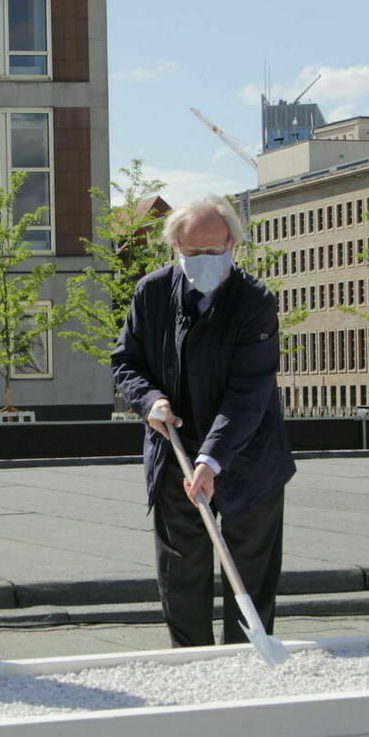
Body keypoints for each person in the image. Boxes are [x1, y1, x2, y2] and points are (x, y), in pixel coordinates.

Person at [111, 195, 296, 648]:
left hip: (248, 456)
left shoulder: (255, 301)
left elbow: (250, 391)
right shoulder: (152, 292)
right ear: (175, 247)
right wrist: (149, 400)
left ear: (232, 242)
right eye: (192, 253)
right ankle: (190, 661)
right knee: (181, 573)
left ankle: (246, 662)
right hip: (174, 448)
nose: (203, 262)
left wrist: (211, 460)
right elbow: (126, 361)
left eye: (213, 252)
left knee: (249, 573)